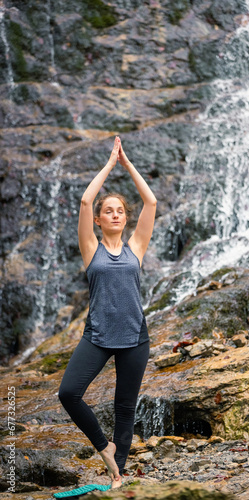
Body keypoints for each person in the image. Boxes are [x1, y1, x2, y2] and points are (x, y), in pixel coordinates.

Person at [58, 136, 157, 488]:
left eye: (120, 211)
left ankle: (118, 473)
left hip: (134, 338)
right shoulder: (91, 249)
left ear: (125, 219)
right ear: (99, 221)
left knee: (124, 409)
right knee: (69, 392)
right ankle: (104, 448)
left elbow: (151, 200)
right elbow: (86, 199)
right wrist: (110, 165)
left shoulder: (136, 247)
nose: (115, 214)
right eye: (108, 211)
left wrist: (128, 166)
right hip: (98, 336)